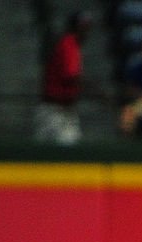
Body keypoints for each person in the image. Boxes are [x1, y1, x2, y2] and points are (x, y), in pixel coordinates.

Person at [35, 11, 92, 145]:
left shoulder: (68, 43)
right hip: (56, 111)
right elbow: (72, 75)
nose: (87, 31)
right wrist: (98, 92)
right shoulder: (69, 43)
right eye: (83, 27)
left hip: (56, 109)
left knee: (43, 156)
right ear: (75, 27)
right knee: (67, 154)